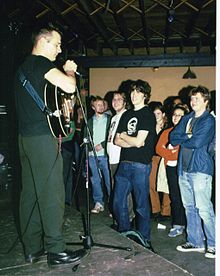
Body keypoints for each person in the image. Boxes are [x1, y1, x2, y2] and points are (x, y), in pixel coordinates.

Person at [14, 23, 85, 266]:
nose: (59, 49)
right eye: (56, 44)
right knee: (53, 193)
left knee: (31, 195)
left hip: (25, 139)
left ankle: (33, 249)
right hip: (44, 140)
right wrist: (69, 71)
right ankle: (56, 250)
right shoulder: (42, 64)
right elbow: (69, 86)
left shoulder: (22, 68)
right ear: (43, 42)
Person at [170, 86, 215, 258]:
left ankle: (213, 244)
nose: (193, 101)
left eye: (197, 98)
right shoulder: (187, 118)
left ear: (205, 101)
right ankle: (195, 242)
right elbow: (173, 137)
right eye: (192, 98)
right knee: (189, 207)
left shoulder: (208, 120)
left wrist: (185, 138)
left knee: (204, 208)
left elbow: (197, 142)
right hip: (184, 169)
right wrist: (187, 137)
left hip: (200, 170)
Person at [113, 79, 156, 248]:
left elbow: (139, 142)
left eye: (138, 92)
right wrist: (128, 139)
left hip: (140, 165)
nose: (133, 95)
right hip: (124, 163)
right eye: (132, 92)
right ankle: (125, 232)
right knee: (118, 202)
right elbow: (117, 140)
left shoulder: (147, 114)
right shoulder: (126, 114)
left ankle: (145, 238)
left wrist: (125, 136)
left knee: (141, 204)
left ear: (145, 95)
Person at [156, 104, 189, 237]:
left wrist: (170, 151)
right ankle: (177, 225)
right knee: (174, 197)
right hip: (170, 167)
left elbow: (182, 152)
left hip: (184, 168)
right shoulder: (167, 132)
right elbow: (158, 149)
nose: (176, 117)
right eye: (174, 114)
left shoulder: (187, 133)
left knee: (186, 198)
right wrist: (172, 152)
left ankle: (189, 225)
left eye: (180, 115)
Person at [106, 91, 134, 221]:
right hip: (112, 158)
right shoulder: (113, 118)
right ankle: (120, 216)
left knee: (123, 191)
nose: (115, 102)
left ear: (124, 102)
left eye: (119, 99)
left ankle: (128, 217)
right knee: (116, 189)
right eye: (114, 99)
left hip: (120, 158)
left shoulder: (126, 116)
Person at [84, 96, 111, 213]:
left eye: (102, 104)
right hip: (92, 156)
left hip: (105, 155)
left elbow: (113, 135)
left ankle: (113, 205)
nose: (101, 106)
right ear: (93, 107)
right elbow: (85, 138)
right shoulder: (89, 121)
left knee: (109, 181)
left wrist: (102, 145)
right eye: (98, 105)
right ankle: (98, 203)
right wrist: (90, 149)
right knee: (95, 180)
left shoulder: (110, 119)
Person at [148, 102, 170, 220]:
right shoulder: (149, 127)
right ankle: (154, 209)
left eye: (158, 113)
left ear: (163, 114)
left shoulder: (168, 127)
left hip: (165, 157)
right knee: (151, 183)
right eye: (154, 114)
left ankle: (166, 211)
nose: (156, 116)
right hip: (152, 157)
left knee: (165, 184)